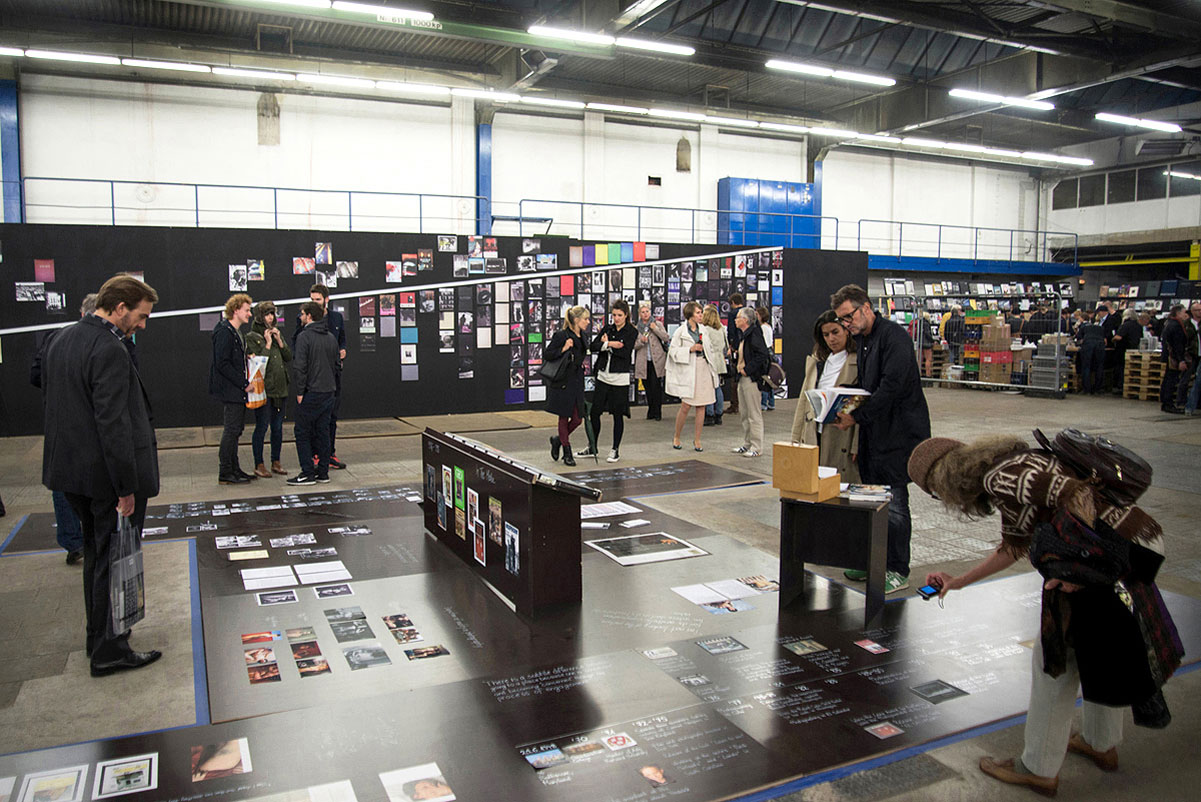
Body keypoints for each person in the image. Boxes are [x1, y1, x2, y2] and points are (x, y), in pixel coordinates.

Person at [908, 434, 1178, 797]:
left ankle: (1037, 768)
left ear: (945, 481)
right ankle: (1101, 744)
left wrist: (1081, 569)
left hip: (1112, 555)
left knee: (1055, 663)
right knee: (1097, 647)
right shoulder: (1017, 462)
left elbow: (1077, 495)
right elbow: (1013, 548)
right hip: (1134, 544)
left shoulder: (999, 479)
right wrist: (958, 582)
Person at [42, 273, 163, 677]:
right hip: (104, 478)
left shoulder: (62, 339)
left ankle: (98, 637)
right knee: (115, 560)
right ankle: (110, 649)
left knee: (98, 556)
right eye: (141, 316)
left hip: (71, 473)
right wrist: (125, 487)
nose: (143, 325)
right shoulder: (109, 349)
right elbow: (113, 424)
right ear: (120, 307)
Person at [830, 284, 930, 593]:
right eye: (842, 320)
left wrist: (856, 416)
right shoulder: (864, 340)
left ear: (866, 307)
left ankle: (897, 568)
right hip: (875, 434)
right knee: (870, 499)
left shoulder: (894, 338)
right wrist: (840, 402)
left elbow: (891, 388)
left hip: (899, 435)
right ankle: (872, 560)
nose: (846, 325)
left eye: (848, 318)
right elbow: (867, 384)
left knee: (895, 504)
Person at [31, 292, 98, 564]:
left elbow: (36, 375)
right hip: (76, 422)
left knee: (65, 480)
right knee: (69, 482)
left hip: (62, 421)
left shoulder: (55, 339)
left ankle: (76, 541)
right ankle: (78, 540)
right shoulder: (87, 342)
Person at [791, 310, 860, 480]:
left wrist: (857, 445)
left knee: (838, 483)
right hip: (814, 430)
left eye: (835, 332)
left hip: (842, 433)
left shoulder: (857, 361)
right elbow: (804, 400)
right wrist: (796, 436)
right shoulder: (818, 362)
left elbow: (861, 402)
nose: (831, 339)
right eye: (826, 334)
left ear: (846, 330)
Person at [293, 284, 348, 469]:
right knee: (310, 423)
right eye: (312, 299)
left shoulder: (336, 318)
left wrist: (342, 350)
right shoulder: (303, 325)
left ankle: (327, 455)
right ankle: (315, 458)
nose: (314, 302)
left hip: (332, 379)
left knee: (329, 419)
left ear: (326, 299)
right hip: (313, 381)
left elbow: (342, 340)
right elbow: (298, 352)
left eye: (317, 299)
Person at [288, 301, 339, 485]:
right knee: (322, 431)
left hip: (311, 392)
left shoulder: (304, 337)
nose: (300, 317)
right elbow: (336, 365)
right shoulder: (331, 337)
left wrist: (300, 391)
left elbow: (299, 367)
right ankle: (323, 472)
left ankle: (307, 473)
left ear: (309, 316)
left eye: (302, 314)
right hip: (328, 392)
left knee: (301, 432)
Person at [582, 299, 637, 463]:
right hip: (602, 376)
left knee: (617, 415)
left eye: (619, 315)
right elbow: (593, 346)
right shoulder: (607, 328)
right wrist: (609, 344)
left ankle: (615, 449)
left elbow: (625, 353)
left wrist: (606, 344)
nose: (616, 318)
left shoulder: (631, 332)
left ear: (626, 315)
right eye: (614, 315)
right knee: (594, 413)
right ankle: (592, 446)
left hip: (619, 379)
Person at [210, 293, 254, 485]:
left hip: (236, 389)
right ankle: (226, 471)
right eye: (247, 310)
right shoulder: (224, 332)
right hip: (231, 390)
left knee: (235, 430)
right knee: (231, 430)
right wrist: (244, 384)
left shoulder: (235, 332)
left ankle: (234, 469)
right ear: (236, 310)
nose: (249, 314)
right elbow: (222, 363)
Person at [245, 301, 292, 478]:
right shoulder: (252, 336)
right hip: (263, 389)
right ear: (259, 317)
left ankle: (276, 461)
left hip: (280, 388)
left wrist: (279, 340)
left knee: (278, 427)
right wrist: (266, 343)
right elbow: (257, 365)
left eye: (272, 314)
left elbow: (288, 357)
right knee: (262, 426)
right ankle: (259, 463)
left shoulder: (277, 333)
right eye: (267, 314)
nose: (271, 317)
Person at [667, 301, 717, 452]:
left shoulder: (704, 330)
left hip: (703, 369)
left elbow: (710, 350)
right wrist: (690, 349)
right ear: (690, 315)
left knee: (701, 406)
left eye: (701, 313)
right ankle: (677, 436)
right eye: (698, 313)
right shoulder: (680, 331)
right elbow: (673, 351)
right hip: (689, 369)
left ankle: (697, 440)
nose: (701, 316)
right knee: (686, 405)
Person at [547, 305, 590, 467]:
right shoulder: (562, 335)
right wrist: (564, 348)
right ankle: (567, 451)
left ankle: (558, 440)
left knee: (578, 419)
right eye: (585, 319)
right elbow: (548, 354)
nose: (588, 322)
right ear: (577, 320)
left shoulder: (583, 336)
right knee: (564, 416)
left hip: (577, 381)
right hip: (564, 381)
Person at [731, 306, 770, 458]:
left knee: (754, 414)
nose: (735, 320)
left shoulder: (754, 333)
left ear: (745, 320)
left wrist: (748, 369)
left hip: (751, 379)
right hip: (742, 378)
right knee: (745, 413)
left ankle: (757, 446)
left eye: (738, 317)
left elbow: (762, 354)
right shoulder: (744, 335)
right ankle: (747, 443)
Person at [633, 301, 669, 420]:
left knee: (656, 386)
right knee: (647, 386)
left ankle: (657, 411)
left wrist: (655, 329)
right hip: (644, 361)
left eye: (647, 311)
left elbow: (666, 337)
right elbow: (633, 345)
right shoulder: (636, 328)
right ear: (639, 314)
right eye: (642, 312)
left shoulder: (657, 323)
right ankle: (651, 409)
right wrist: (641, 342)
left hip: (657, 360)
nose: (645, 314)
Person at [701, 305, 729, 426]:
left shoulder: (704, 329)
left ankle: (709, 414)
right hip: (720, 360)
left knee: (709, 387)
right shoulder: (721, 328)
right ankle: (719, 414)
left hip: (709, 360)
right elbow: (726, 346)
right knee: (718, 386)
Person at [1159, 304, 1188, 414]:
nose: (1186, 315)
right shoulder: (1176, 326)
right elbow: (1177, 344)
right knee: (1171, 380)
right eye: (1184, 312)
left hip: (1169, 356)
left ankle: (1166, 402)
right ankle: (1168, 403)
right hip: (1173, 358)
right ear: (1178, 313)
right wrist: (1181, 359)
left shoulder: (1168, 323)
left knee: (1167, 379)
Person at [1111, 308, 1143, 395]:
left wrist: (1113, 339)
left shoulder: (1125, 325)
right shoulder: (1138, 325)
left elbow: (1119, 337)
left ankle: (1120, 386)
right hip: (1135, 349)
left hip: (1123, 349)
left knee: (1121, 368)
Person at [1074, 309, 1106, 395]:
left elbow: (1079, 339)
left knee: (1086, 366)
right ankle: (1098, 389)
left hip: (1088, 345)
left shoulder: (1083, 327)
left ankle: (1086, 389)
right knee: (1099, 366)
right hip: (1100, 345)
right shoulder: (1100, 328)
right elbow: (1105, 339)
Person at [725, 292, 745, 415]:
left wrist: (732, 346)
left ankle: (734, 404)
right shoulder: (749, 312)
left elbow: (731, 332)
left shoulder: (733, 314)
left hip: (737, 348)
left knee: (735, 375)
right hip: (748, 347)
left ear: (732, 303)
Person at [756, 306, 776, 411]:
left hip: (765, 352)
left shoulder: (762, 328)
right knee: (769, 379)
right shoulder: (769, 327)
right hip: (770, 351)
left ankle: (763, 403)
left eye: (757, 315)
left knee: (764, 379)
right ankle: (771, 402)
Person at [1183, 302, 1201, 415]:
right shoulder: (1187, 324)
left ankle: (1193, 405)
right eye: (1197, 310)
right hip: (1191, 355)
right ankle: (1186, 405)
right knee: (1186, 380)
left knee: (1199, 381)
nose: (1200, 312)